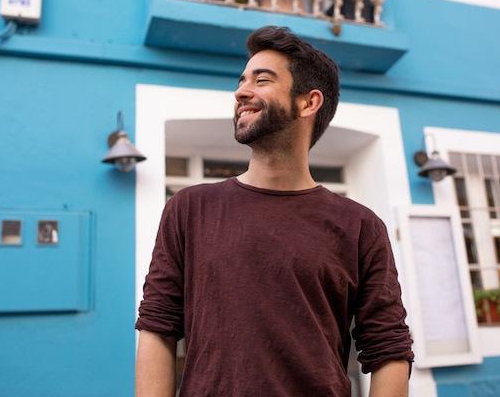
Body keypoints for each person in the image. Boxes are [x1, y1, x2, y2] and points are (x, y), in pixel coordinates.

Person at [135, 25, 414, 397]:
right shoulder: (188, 209)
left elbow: (388, 349)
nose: (241, 91)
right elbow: (158, 326)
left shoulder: (361, 226)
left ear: (308, 102)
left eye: (262, 80)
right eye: (242, 80)